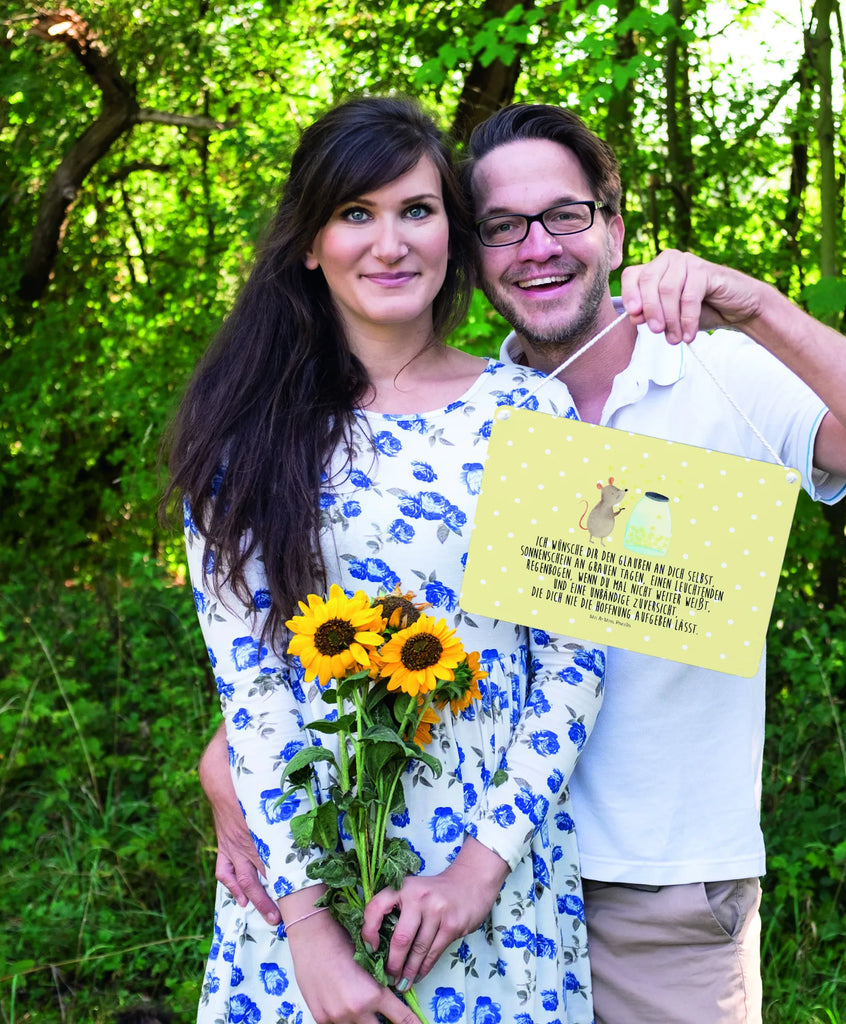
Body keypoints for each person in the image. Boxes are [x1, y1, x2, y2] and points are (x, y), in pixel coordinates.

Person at [202, 102, 846, 1024]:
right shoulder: (461, 414)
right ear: (474, 251)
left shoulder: (707, 373)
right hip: (432, 876)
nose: (537, 247)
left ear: (612, 226)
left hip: (654, 887)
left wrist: (760, 306)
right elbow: (330, 634)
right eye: (502, 226)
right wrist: (235, 769)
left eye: (565, 215)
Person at [164, 97, 609, 1024]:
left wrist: (477, 873)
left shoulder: (534, 413)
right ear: (308, 243)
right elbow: (252, 693)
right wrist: (312, 937)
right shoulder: (242, 438)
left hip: (492, 888)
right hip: (303, 889)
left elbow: (573, 665)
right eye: (355, 214)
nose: (390, 242)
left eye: (416, 210)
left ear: (452, 228)